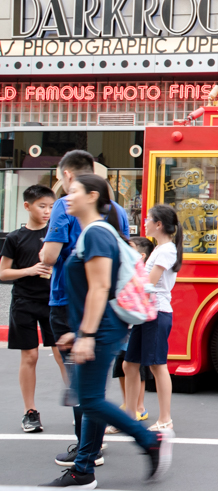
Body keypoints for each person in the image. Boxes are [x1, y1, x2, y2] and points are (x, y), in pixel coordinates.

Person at [42, 174, 172, 487]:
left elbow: (100, 288)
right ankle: (84, 469)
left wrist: (86, 335)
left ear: (92, 196)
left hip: (102, 328)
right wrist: (80, 331)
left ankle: (149, 441)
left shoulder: (97, 234)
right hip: (99, 326)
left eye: (72, 192)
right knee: (90, 399)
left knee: (88, 400)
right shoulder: (95, 233)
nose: (66, 198)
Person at [40, 150, 130, 469]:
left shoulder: (67, 208)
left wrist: (85, 333)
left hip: (71, 303)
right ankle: (92, 448)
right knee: (92, 382)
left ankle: (88, 449)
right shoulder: (117, 209)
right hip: (113, 309)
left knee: (81, 383)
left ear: (67, 176)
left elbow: (49, 257)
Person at [1, 184, 58, 432]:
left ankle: (82, 409)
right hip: (23, 302)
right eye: (42, 206)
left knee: (62, 354)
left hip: (54, 302)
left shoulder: (57, 233)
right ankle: (30, 411)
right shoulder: (15, 237)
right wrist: (30, 270)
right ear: (27, 206)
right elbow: (3, 273)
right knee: (30, 356)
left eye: (51, 207)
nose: (47, 211)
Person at [123, 204, 182, 432]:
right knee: (130, 364)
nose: (144, 222)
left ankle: (165, 419)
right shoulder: (160, 249)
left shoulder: (166, 250)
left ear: (158, 224)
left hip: (156, 312)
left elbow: (149, 283)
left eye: (147, 219)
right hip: (147, 313)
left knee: (158, 366)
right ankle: (129, 415)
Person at [106, 237, 155, 435]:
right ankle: (129, 403)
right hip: (125, 326)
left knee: (133, 366)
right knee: (123, 366)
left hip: (132, 325)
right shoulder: (128, 270)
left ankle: (138, 406)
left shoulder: (139, 273)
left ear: (141, 256)